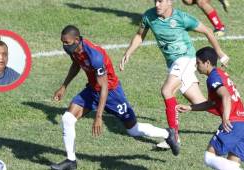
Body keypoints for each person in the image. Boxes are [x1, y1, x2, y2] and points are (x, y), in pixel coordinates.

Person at [50, 25, 179, 170]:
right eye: (63, 42)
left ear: (77, 39)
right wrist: (64, 86)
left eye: (67, 43)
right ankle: (70, 161)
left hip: (111, 93)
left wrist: (98, 116)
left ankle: (168, 133)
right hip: (92, 90)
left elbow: (104, 87)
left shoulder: (95, 56)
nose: (64, 46)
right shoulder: (74, 50)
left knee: (133, 130)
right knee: (67, 118)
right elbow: (76, 65)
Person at [119, 0, 229, 151]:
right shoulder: (149, 16)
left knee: (166, 91)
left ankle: (173, 136)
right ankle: (238, 117)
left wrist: (220, 53)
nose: (157, 4)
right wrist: (128, 53)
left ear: (170, 2)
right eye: (155, 1)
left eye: (161, 1)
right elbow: (139, 35)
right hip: (173, 64)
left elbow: (208, 31)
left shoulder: (182, 18)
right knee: (202, 102)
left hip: (186, 59)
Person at [177, 46, 244, 170]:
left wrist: (225, 118)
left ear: (207, 63)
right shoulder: (221, 74)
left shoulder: (213, 78)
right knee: (232, 163)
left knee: (209, 156)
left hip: (233, 122)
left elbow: (226, 96)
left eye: (198, 63)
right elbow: (211, 103)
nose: (196, 66)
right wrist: (190, 108)